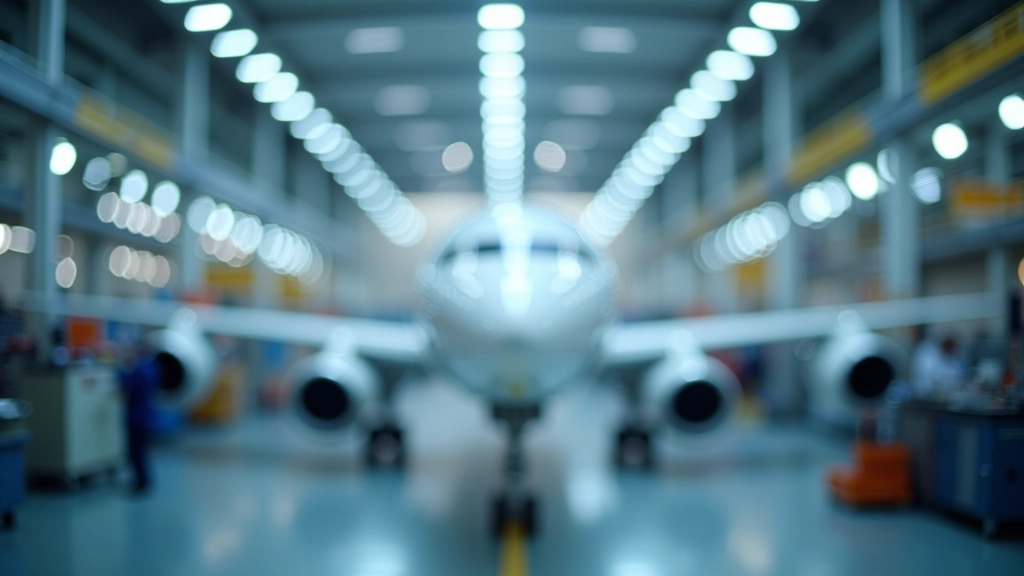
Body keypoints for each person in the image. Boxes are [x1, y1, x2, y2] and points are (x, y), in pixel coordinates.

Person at [118, 345, 162, 494]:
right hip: (147, 415)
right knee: (142, 451)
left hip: (137, 417)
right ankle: (143, 480)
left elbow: (126, 387)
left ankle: (141, 482)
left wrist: (121, 371)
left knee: (136, 452)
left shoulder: (140, 371)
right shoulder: (153, 368)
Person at [912, 333, 966, 399]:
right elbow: (930, 381)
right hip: (930, 395)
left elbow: (958, 377)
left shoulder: (955, 360)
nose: (950, 349)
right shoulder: (931, 357)